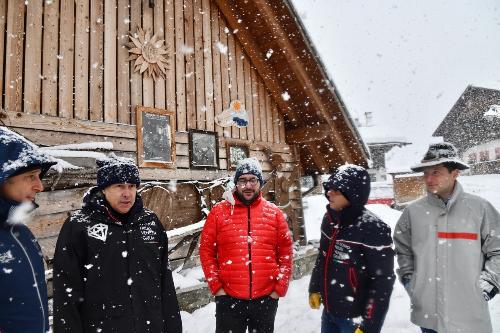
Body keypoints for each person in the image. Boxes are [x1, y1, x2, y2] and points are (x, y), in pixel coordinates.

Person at [53, 156, 182, 333]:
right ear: (104, 189)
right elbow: (66, 291)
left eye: (132, 186)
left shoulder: (150, 222)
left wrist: (173, 327)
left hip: (150, 325)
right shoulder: (79, 226)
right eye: (119, 186)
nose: (127, 193)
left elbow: (165, 282)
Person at [394, 142, 500, 333]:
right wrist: (411, 282)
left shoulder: (480, 209)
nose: (428, 178)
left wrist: (486, 286)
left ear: (455, 173)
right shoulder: (412, 212)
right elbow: (403, 250)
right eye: (425, 173)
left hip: (470, 317)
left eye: (436, 172)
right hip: (429, 318)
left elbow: (498, 251)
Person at [199, 157, 293, 333]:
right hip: (229, 300)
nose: (248, 186)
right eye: (242, 180)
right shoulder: (219, 212)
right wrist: (217, 288)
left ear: (260, 183)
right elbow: (206, 251)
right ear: (236, 183)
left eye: (253, 180)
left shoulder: (274, 214)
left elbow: (286, 253)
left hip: (265, 300)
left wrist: (278, 289)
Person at [309, 164, 395, 333]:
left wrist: (369, 327)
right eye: (329, 188)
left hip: (355, 319)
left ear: (353, 194)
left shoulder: (373, 228)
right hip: (329, 312)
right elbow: (323, 257)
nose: (329, 193)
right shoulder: (329, 219)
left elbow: (382, 283)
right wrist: (315, 287)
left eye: (336, 190)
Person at [0, 127, 56, 333]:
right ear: (4, 175)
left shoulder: (22, 234)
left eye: (39, 176)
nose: (40, 186)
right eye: (31, 176)